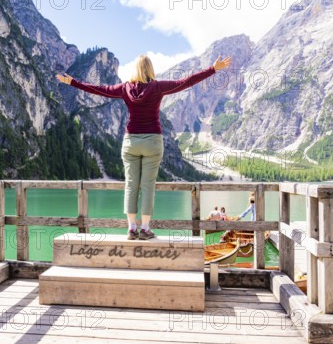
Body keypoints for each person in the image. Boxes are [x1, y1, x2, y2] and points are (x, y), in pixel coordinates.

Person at [56, 53, 232, 240]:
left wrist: (74, 83)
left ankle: (131, 228)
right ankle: (145, 229)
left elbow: (100, 89)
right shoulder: (158, 87)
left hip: (130, 141)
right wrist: (213, 69)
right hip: (153, 142)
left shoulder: (125, 88)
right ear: (150, 69)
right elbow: (186, 82)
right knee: (148, 186)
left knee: (131, 185)